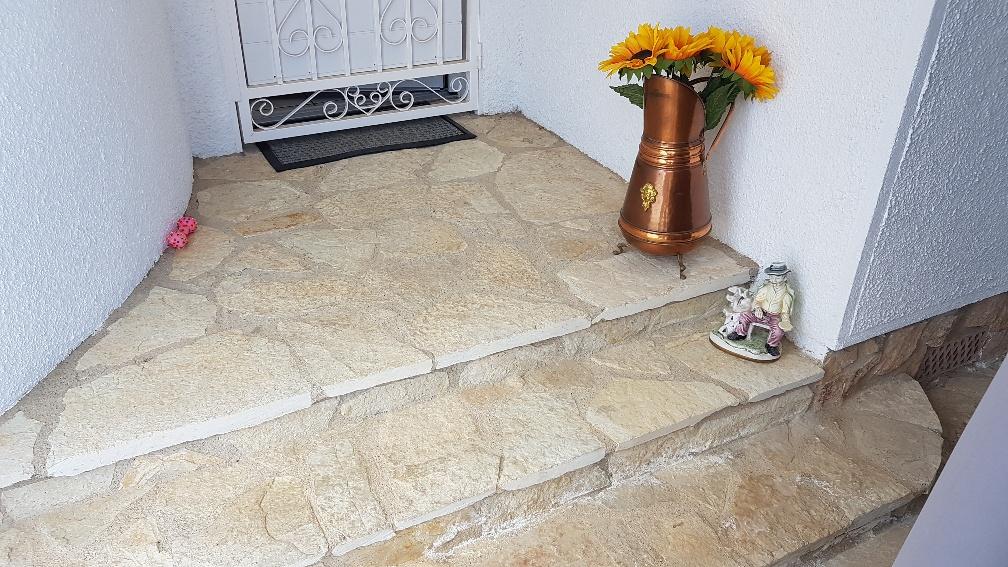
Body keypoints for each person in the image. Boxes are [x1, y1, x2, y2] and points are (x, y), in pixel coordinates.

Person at [727, 262, 794, 357]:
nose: (774, 280)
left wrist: (785, 321)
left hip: (775, 317)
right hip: (761, 313)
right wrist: (758, 308)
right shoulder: (765, 289)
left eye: (778, 277)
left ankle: (771, 345)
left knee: (779, 331)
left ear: (784, 278)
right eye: (772, 277)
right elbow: (756, 301)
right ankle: (741, 333)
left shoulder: (786, 295)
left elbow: (785, 311)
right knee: (745, 315)